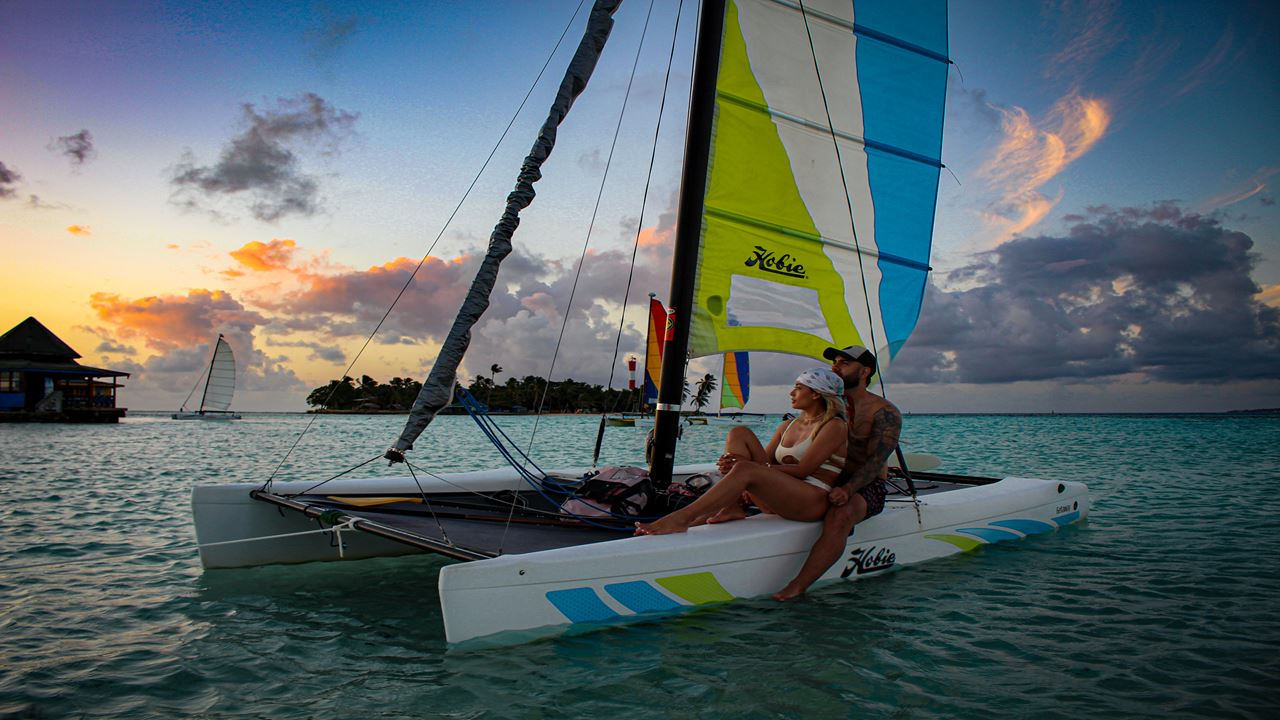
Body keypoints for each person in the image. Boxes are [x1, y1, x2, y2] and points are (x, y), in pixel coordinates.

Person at [634, 368, 848, 535]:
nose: (792, 392)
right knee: (739, 433)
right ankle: (734, 506)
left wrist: (744, 467)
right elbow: (765, 463)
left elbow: (803, 470)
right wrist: (734, 464)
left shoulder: (834, 426)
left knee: (746, 468)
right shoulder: (787, 426)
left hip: (811, 501)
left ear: (817, 394)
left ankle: (681, 519)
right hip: (778, 497)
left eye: (799, 388)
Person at [773, 345, 901, 601]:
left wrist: (848, 489)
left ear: (864, 371)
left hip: (864, 484)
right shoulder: (820, 403)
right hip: (820, 477)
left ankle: (797, 586)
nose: (835, 367)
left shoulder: (884, 412)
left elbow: (876, 463)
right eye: (835, 362)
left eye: (844, 363)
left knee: (840, 515)